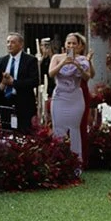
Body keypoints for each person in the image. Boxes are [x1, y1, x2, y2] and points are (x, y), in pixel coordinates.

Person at [47, 33, 93, 167]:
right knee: (58, 128)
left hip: (75, 98)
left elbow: (87, 77)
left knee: (74, 129)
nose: (71, 46)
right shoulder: (56, 57)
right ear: (65, 44)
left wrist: (77, 65)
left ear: (78, 46)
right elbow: (51, 73)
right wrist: (64, 62)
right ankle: (58, 162)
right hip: (60, 97)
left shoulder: (83, 60)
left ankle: (76, 163)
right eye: (69, 43)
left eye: (74, 43)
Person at [0, 34, 40, 133]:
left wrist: (13, 82)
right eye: (8, 42)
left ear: (21, 44)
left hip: (23, 102)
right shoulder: (2, 60)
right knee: (6, 131)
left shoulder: (30, 60)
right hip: (6, 101)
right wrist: (3, 82)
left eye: (13, 42)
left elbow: (34, 81)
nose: (9, 45)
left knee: (23, 132)